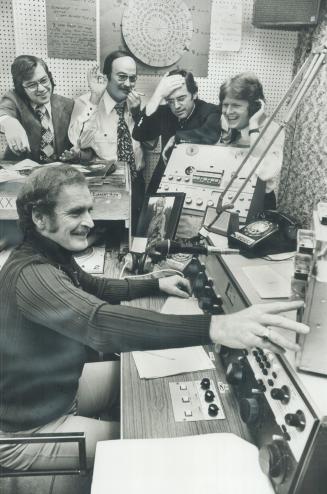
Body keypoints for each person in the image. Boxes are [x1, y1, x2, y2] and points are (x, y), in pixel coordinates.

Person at [0, 164, 308, 472]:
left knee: (144, 383)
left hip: (56, 391)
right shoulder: (32, 275)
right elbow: (99, 325)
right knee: (147, 439)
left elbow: (95, 286)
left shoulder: (49, 253)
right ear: (40, 218)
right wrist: (217, 326)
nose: (90, 222)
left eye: (89, 210)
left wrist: (154, 282)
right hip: (29, 429)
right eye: (76, 213)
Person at [67, 50, 145, 233]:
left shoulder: (138, 102)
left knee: (133, 240)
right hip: (104, 186)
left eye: (132, 78)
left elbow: (150, 144)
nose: (128, 84)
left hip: (136, 184)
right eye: (122, 77)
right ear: (107, 76)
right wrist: (95, 98)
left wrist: (138, 114)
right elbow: (78, 141)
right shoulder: (87, 103)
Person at [132, 69, 221, 193]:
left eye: (181, 98)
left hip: (194, 184)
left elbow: (210, 134)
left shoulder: (210, 111)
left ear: (194, 93)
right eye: (170, 101)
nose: (176, 106)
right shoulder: (165, 112)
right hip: (163, 181)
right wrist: (158, 95)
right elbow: (139, 134)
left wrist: (176, 138)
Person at [218, 72, 285, 210]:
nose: (228, 111)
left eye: (236, 105)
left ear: (254, 107)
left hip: (260, 203)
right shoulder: (227, 124)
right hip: (229, 198)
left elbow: (265, 172)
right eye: (225, 105)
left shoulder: (273, 129)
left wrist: (253, 124)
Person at [0, 55, 74, 163]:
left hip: (58, 172)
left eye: (44, 80)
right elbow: (3, 112)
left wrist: (76, 154)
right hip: (21, 172)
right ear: (21, 88)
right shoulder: (14, 98)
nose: (41, 89)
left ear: (50, 77)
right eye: (31, 85)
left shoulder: (68, 104)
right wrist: (9, 122)